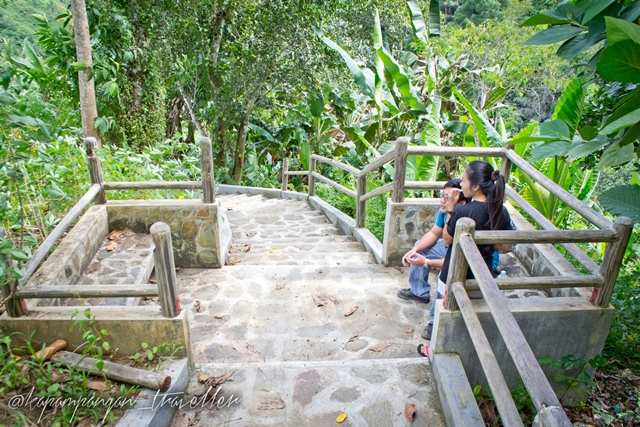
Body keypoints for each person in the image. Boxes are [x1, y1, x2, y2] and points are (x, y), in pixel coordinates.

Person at [411, 161, 513, 356]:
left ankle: (435, 350)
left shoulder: (463, 211)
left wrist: (451, 208)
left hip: (454, 272)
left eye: (464, 180)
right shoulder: (501, 211)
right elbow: (504, 245)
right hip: (482, 273)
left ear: (475, 187)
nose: (462, 185)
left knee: (446, 312)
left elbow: (448, 240)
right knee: (468, 312)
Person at [398, 178, 471, 303]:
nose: (443, 201)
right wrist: (414, 250)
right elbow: (434, 233)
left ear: (461, 203)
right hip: (450, 248)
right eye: (443, 195)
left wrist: (426, 262)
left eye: (448, 198)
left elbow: (455, 259)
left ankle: (434, 320)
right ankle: (419, 292)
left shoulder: (466, 217)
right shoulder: (443, 211)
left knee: (442, 277)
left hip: (466, 256)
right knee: (419, 249)